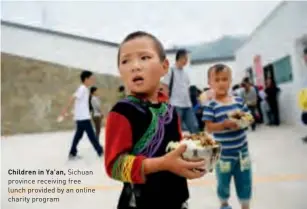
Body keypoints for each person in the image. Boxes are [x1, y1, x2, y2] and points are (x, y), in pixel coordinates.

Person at [104, 31, 206, 209]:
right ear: (120, 71)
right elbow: (114, 166)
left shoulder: (170, 110)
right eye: (125, 61)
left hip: (177, 200)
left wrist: (192, 160)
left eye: (144, 57)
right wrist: (162, 164)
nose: (135, 66)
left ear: (164, 67)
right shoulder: (122, 112)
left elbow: (177, 149)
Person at [202, 64, 252, 209]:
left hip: (242, 153)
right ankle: (224, 204)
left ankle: (245, 205)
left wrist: (243, 122)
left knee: (245, 180)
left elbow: (249, 118)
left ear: (230, 81)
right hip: (223, 155)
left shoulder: (238, 101)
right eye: (216, 80)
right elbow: (209, 127)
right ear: (209, 83)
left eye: (224, 79)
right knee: (223, 182)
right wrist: (224, 124)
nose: (221, 83)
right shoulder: (211, 105)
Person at [60, 71, 103, 159]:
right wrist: (65, 110)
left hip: (81, 117)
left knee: (78, 136)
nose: (92, 80)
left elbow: (78, 103)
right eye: (91, 78)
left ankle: (72, 153)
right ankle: (100, 152)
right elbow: (73, 98)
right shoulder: (82, 88)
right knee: (92, 136)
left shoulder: (84, 89)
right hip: (83, 118)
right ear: (86, 79)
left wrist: (73, 112)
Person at [161, 49, 199, 134]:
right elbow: (164, 87)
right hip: (175, 105)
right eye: (185, 58)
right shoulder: (171, 71)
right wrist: (167, 103)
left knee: (195, 126)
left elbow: (187, 89)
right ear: (180, 58)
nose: (186, 60)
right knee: (176, 130)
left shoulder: (185, 73)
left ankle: (197, 146)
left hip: (187, 105)